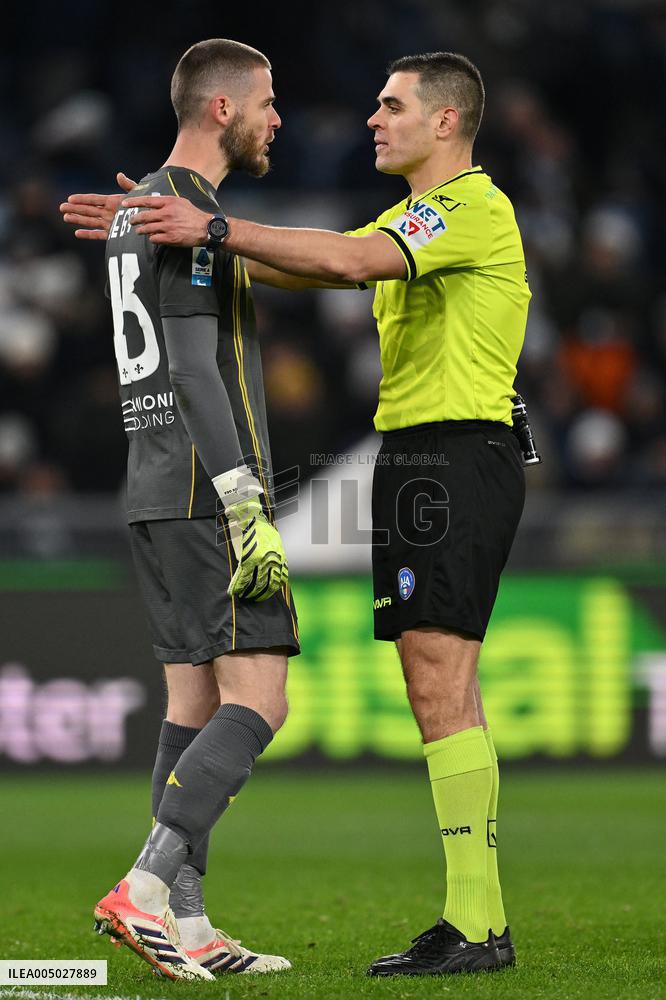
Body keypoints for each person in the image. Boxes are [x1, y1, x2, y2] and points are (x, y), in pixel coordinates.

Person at [63, 51, 530, 977]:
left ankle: (474, 923)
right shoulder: (411, 220)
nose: (370, 118)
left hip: (453, 454)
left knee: (437, 682)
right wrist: (168, 224)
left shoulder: (471, 205)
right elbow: (321, 266)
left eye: (391, 105)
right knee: (431, 686)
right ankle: (464, 920)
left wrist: (208, 224)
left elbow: (348, 259)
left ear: (445, 121)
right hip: (410, 457)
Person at [62, 38, 300, 980]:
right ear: (220, 111)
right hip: (207, 487)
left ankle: (190, 926)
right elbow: (197, 364)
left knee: (194, 702)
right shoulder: (187, 212)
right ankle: (146, 887)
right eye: (267, 102)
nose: (276, 117)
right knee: (263, 698)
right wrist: (245, 495)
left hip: (150, 483)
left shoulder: (140, 214)